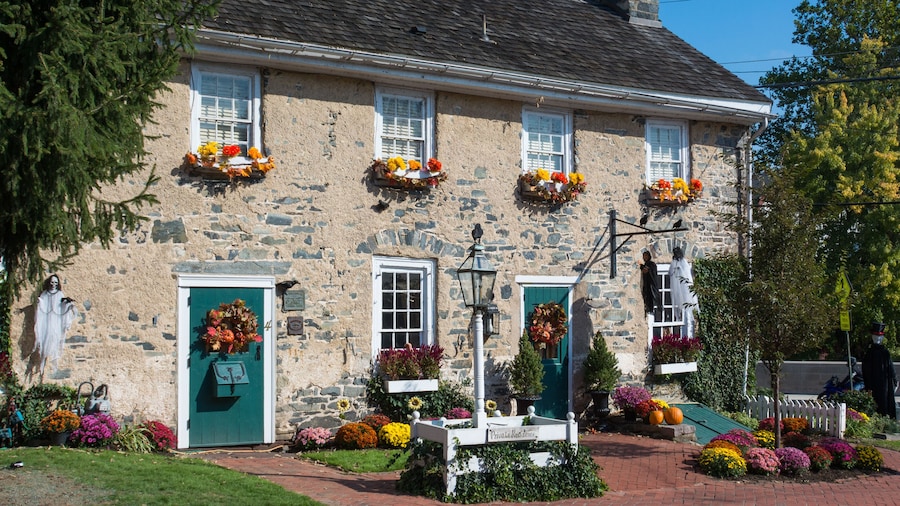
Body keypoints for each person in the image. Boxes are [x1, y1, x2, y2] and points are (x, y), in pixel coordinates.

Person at [33, 274, 78, 374]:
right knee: (45, 340)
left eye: (56, 283)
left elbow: (61, 306)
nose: (53, 284)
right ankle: (42, 361)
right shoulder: (45, 293)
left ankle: (48, 363)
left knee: (54, 339)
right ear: (49, 283)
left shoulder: (59, 294)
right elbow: (42, 304)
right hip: (47, 321)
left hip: (55, 321)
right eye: (52, 282)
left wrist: (67, 304)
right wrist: (39, 302)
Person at [862, 322, 898, 419]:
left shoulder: (884, 353)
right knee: (875, 404)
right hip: (873, 385)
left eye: (879, 336)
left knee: (885, 404)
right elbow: (866, 371)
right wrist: (868, 385)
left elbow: (890, 367)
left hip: (885, 385)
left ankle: (885, 419)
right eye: (875, 336)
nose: (877, 339)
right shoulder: (869, 354)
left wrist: (894, 379)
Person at [670, 247, 699, 336]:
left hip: (685, 287)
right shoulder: (675, 264)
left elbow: (687, 277)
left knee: (688, 304)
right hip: (679, 287)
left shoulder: (683, 263)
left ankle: (688, 332)